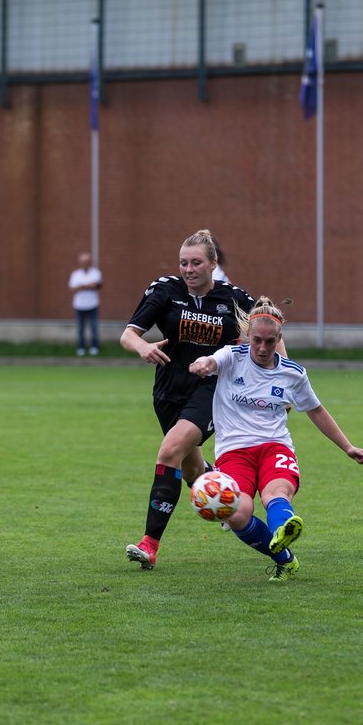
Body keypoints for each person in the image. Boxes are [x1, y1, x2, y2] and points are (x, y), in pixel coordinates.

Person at [120, 228, 280, 570]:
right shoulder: (164, 290)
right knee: (191, 466)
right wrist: (143, 346)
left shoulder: (233, 297)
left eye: (195, 263)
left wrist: (279, 379)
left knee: (169, 451)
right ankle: (224, 493)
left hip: (211, 391)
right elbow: (128, 334)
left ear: (213, 264)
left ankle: (150, 544)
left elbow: (269, 330)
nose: (188, 269)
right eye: (183, 263)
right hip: (167, 390)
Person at [189, 297, 363, 581]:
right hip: (234, 452)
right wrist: (203, 363)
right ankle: (284, 557)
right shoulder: (231, 357)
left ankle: (285, 527)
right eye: (257, 340)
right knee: (238, 513)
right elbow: (212, 360)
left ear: (280, 339)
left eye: (270, 342)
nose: (262, 348)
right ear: (247, 335)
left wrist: (347, 446)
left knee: (275, 494)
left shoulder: (293, 374)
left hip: (275, 447)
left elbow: (316, 410)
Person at [69, 251, 103, 355]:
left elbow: (97, 286)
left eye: (87, 261)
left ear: (90, 262)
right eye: (83, 261)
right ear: (80, 262)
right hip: (79, 305)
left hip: (92, 304)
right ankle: (81, 348)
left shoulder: (96, 272)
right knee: (80, 328)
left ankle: (94, 347)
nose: (85, 263)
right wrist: (88, 285)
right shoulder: (75, 274)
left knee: (93, 327)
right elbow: (72, 289)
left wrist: (81, 286)